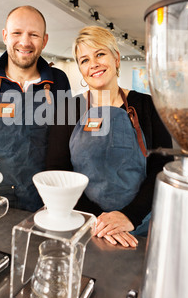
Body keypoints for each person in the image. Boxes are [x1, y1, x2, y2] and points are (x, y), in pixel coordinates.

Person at [46, 26, 173, 247]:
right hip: (84, 224)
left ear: (116, 58)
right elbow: (58, 171)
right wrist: (99, 220)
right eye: (84, 60)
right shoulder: (68, 109)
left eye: (100, 54)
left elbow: (162, 168)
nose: (93, 64)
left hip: (137, 228)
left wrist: (129, 216)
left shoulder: (147, 106)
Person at [0, 5, 71, 211]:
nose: (25, 42)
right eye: (17, 33)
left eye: (34, 34)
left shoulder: (58, 81)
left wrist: (61, 195)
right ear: (5, 36)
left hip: (46, 199)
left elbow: (67, 143)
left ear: (44, 41)